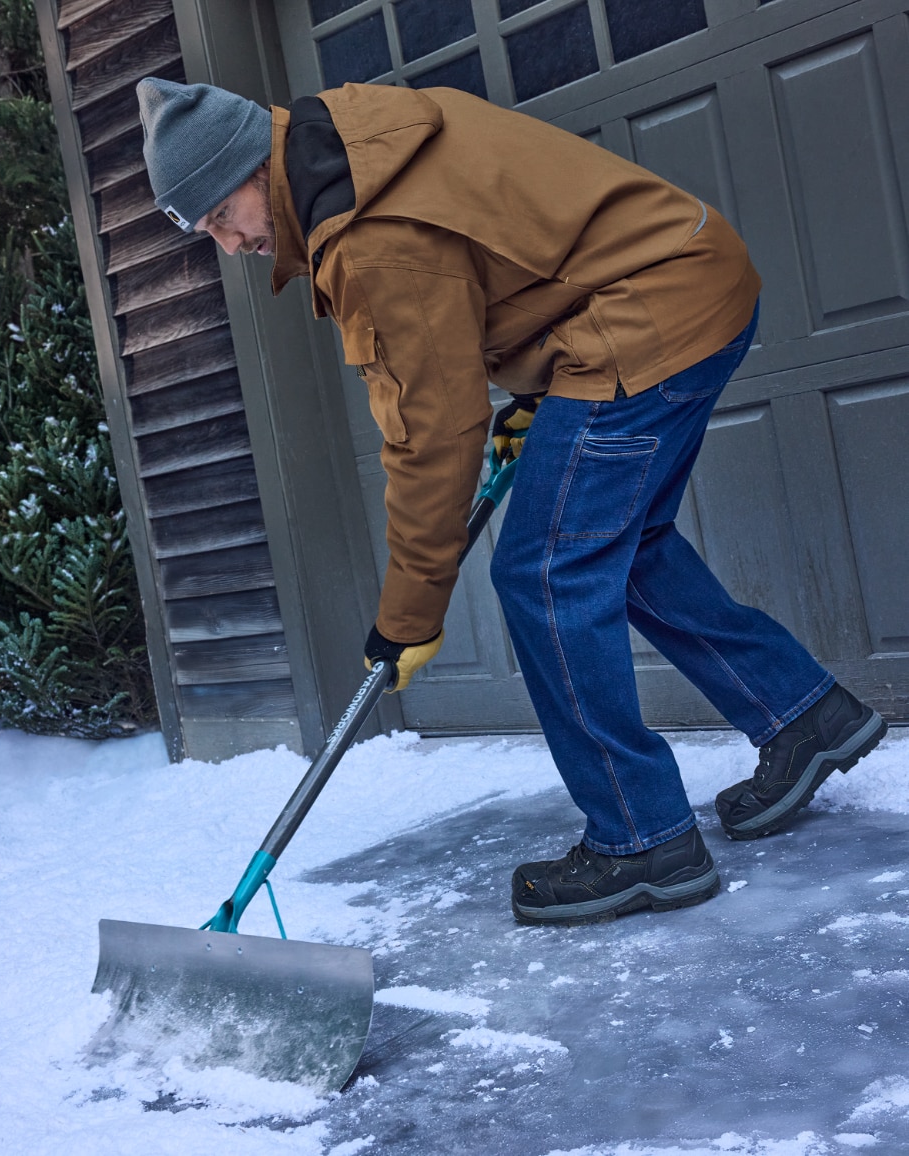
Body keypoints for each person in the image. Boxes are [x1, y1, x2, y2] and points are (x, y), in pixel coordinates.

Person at [136, 77, 887, 927]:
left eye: (216, 218)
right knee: (618, 545)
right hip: (688, 281)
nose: (229, 244)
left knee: (546, 572)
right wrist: (540, 393)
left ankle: (642, 839)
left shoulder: (364, 230)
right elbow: (519, 248)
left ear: (248, 169)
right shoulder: (356, 138)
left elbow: (431, 430)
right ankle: (804, 713)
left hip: (648, 318)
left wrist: (408, 612)